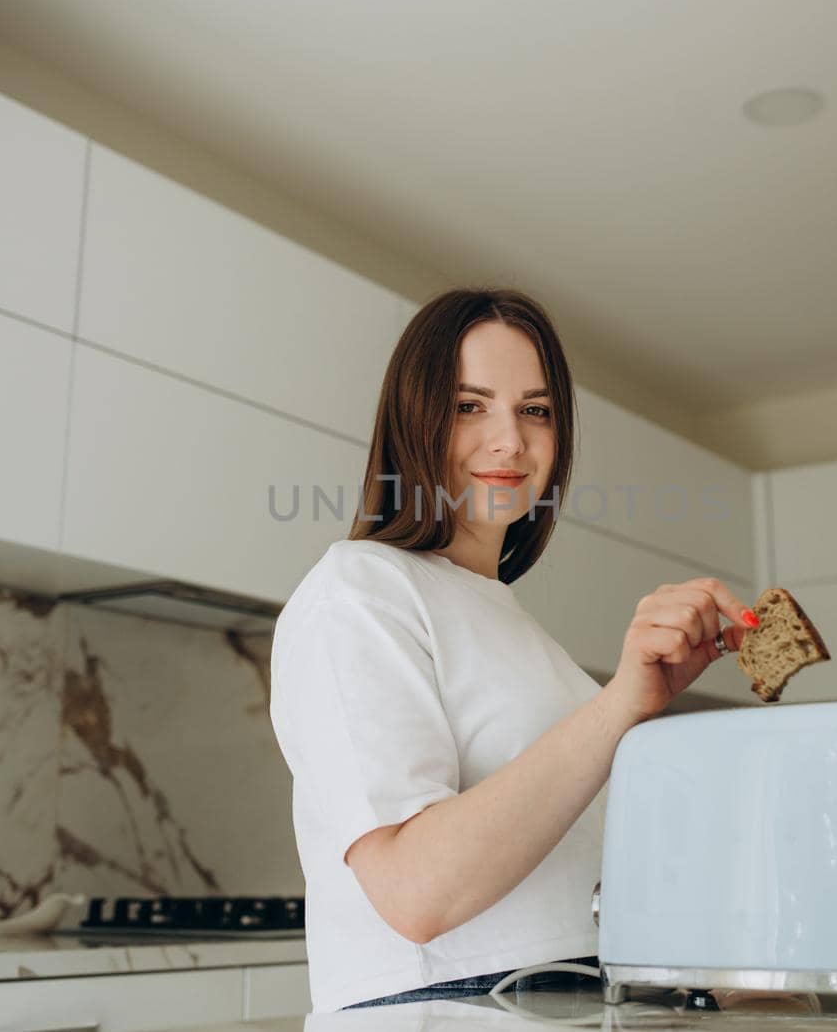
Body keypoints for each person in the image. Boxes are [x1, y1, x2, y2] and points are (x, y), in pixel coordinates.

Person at [268, 288, 758, 1013]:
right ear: (413, 418)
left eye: (536, 410)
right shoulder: (359, 589)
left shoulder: (524, 633)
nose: (510, 440)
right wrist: (619, 703)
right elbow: (415, 891)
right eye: (470, 405)